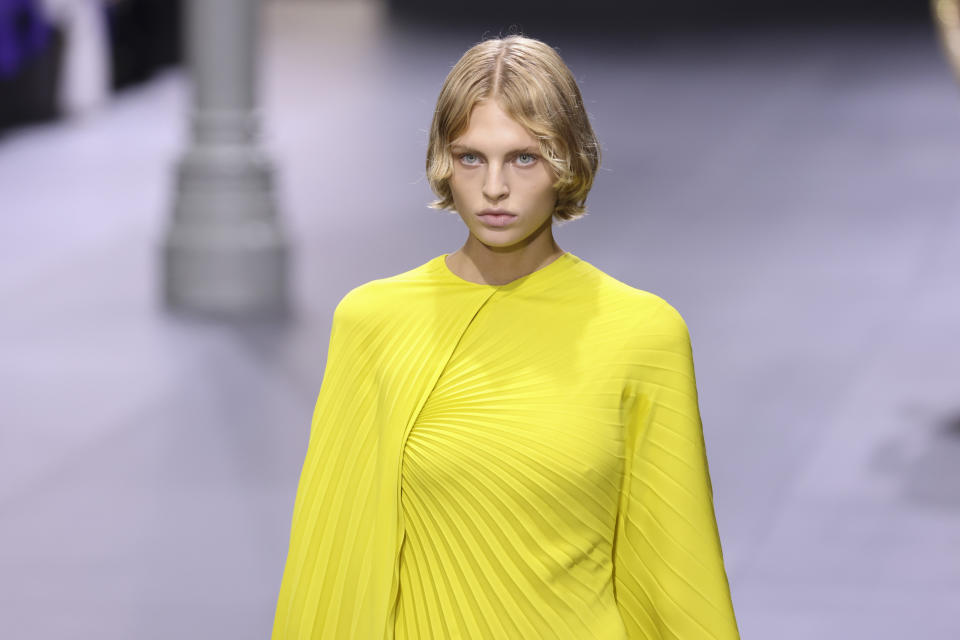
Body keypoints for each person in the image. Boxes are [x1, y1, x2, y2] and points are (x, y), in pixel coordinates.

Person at [271, 35, 741, 639]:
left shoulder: (642, 333)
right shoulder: (373, 322)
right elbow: (329, 559)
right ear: (444, 161)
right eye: (472, 157)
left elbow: (677, 571)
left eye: (524, 158)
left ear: (569, 161)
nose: (495, 187)